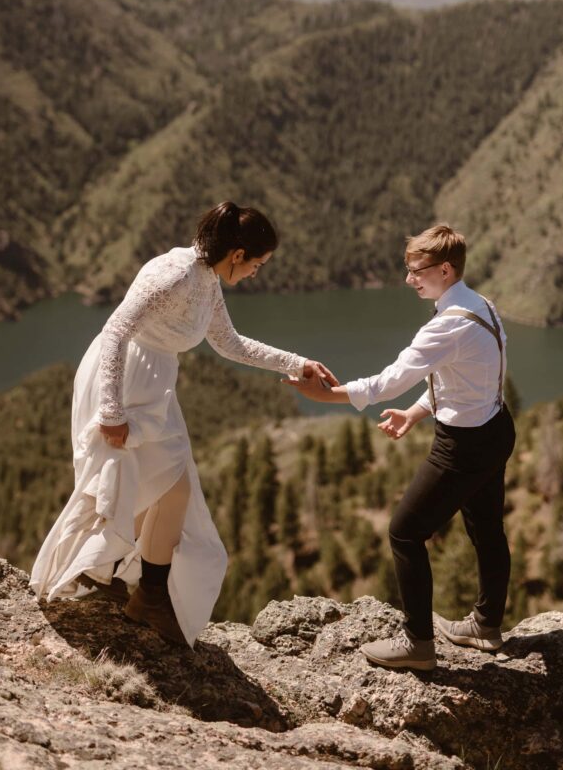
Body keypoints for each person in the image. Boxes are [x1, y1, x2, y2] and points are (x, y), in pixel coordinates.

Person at [31, 201, 337, 648]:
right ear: (237, 254)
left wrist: (297, 363)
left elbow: (229, 343)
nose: (256, 273)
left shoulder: (207, 279)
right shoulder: (172, 273)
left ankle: (121, 581)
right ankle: (130, 588)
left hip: (153, 388)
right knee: (148, 485)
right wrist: (111, 412)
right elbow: (116, 331)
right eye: (257, 264)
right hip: (122, 382)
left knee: (164, 485)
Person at [286, 225, 515, 671]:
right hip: (495, 429)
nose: (409, 279)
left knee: (404, 531)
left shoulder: (446, 326)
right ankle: (486, 626)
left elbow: (388, 381)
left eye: (417, 271)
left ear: (445, 270)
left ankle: (418, 644)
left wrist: (325, 396)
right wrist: (416, 412)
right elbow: (467, 379)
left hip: (463, 446)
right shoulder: (480, 305)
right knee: (487, 528)